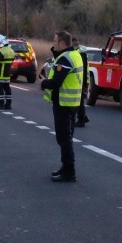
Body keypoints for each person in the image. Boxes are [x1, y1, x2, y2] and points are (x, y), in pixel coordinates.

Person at [41, 30, 84, 182]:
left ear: (62, 43)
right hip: (71, 103)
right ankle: (65, 167)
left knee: (64, 138)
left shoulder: (65, 59)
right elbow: (57, 58)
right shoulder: (74, 54)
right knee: (66, 137)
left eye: (55, 41)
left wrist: (43, 83)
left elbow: (56, 81)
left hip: (63, 103)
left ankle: (69, 171)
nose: (53, 43)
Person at [0, 34, 15, 110]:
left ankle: (0, 104)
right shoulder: (11, 50)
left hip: (0, 74)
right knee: (7, 89)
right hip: (7, 75)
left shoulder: (2, 51)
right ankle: (8, 104)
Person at [72, 36, 90, 128]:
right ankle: (83, 117)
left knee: (79, 101)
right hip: (82, 79)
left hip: (80, 80)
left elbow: (82, 68)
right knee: (79, 101)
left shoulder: (80, 52)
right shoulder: (80, 51)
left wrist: (83, 83)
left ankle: (81, 119)